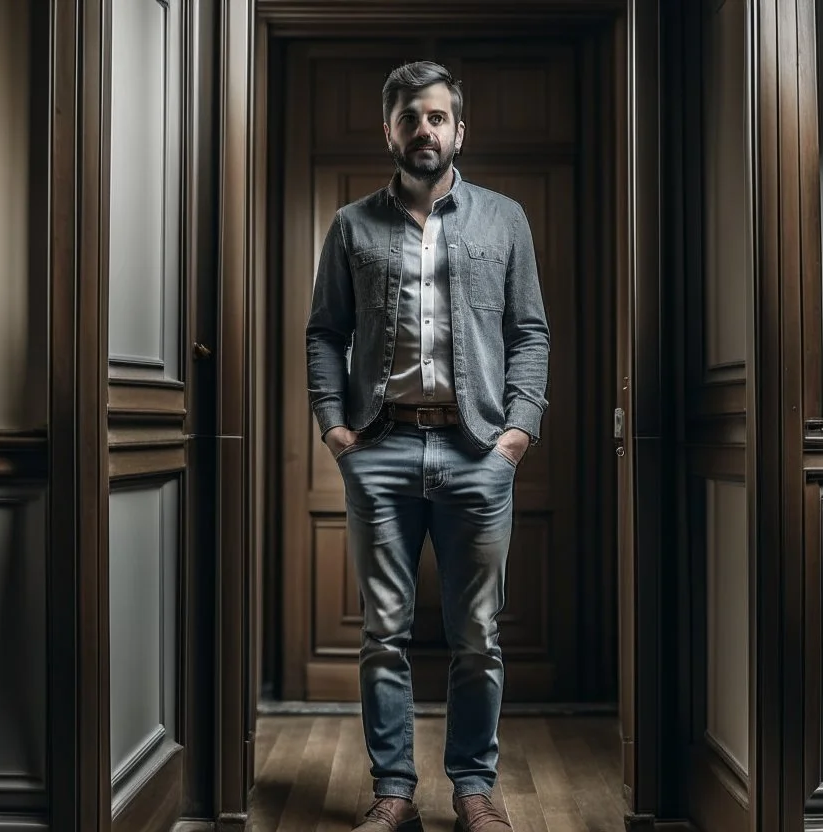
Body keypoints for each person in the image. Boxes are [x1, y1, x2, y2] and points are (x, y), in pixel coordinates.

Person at [305, 60, 550, 832]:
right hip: (379, 453)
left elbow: (530, 333)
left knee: (476, 635)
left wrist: (518, 431)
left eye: (437, 117)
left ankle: (474, 789)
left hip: (478, 454)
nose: (424, 130)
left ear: (458, 130)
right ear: (391, 129)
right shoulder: (351, 227)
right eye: (410, 117)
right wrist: (335, 427)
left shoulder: (505, 220)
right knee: (383, 634)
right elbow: (324, 334)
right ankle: (394, 791)